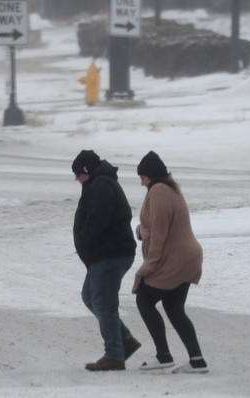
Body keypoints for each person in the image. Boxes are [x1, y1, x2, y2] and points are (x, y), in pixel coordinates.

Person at [132, 151, 209, 374]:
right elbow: (150, 227)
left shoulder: (159, 192)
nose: (141, 182)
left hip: (174, 260)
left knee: (144, 300)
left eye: (143, 177)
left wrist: (149, 266)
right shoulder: (169, 189)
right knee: (174, 308)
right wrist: (139, 230)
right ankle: (197, 361)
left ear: (152, 176)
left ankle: (164, 355)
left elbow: (159, 234)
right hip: (187, 259)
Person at [71, 150, 141, 371]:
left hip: (110, 254)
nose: (77, 179)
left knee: (104, 303)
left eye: (78, 174)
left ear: (86, 170)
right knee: (90, 297)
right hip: (103, 255)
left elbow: (97, 221)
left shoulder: (102, 186)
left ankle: (114, 355)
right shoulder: (98, 183)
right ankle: (125, 341)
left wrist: (84, 239)